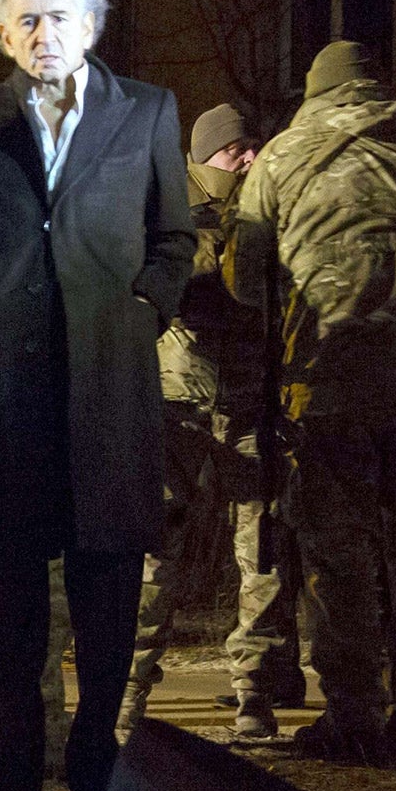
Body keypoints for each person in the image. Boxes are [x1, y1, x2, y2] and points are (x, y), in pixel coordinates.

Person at [0, 0, 194, 791]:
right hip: (7, 388)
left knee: (108, 574)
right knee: (12, 581)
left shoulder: (148, 111)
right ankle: (18, 756)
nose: (46, 35)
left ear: (93, 24)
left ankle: (93, 749)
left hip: (111, 387)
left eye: (61, 18)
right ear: (3, 35)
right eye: (29, 21)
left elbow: (175, 237)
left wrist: (141, 308)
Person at [232, 41, 396, 766]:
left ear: (314, 90)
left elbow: (247, 278)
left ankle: (354, 715)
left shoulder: (279, 156)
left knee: (340, 555)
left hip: (335, 376)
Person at [121, 104, 304, 741]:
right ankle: (127, 697)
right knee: (155, 557)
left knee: (262, 556)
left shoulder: (267, 214)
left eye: (254, 146)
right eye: (235, 150)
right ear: (204, 157)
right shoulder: (167, 206)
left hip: (249, 405)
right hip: (177, 409)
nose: (249, 158)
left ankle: (254, 693)